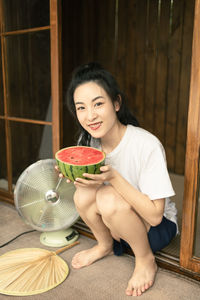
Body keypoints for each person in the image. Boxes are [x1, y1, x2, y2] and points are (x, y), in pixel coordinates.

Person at [63, 62, 178, 297]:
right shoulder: (87, 142)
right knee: (83, 193)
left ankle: (145, 259)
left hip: (155, 230)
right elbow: (89, 196)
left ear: (116, 103)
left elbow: (156, 216)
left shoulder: (146, 145)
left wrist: (113, 177)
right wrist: (77, 178)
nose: (90, 115)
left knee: (106, 195)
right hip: (116, 224)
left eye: (98, 104)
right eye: (81, 108)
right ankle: (105, 244)